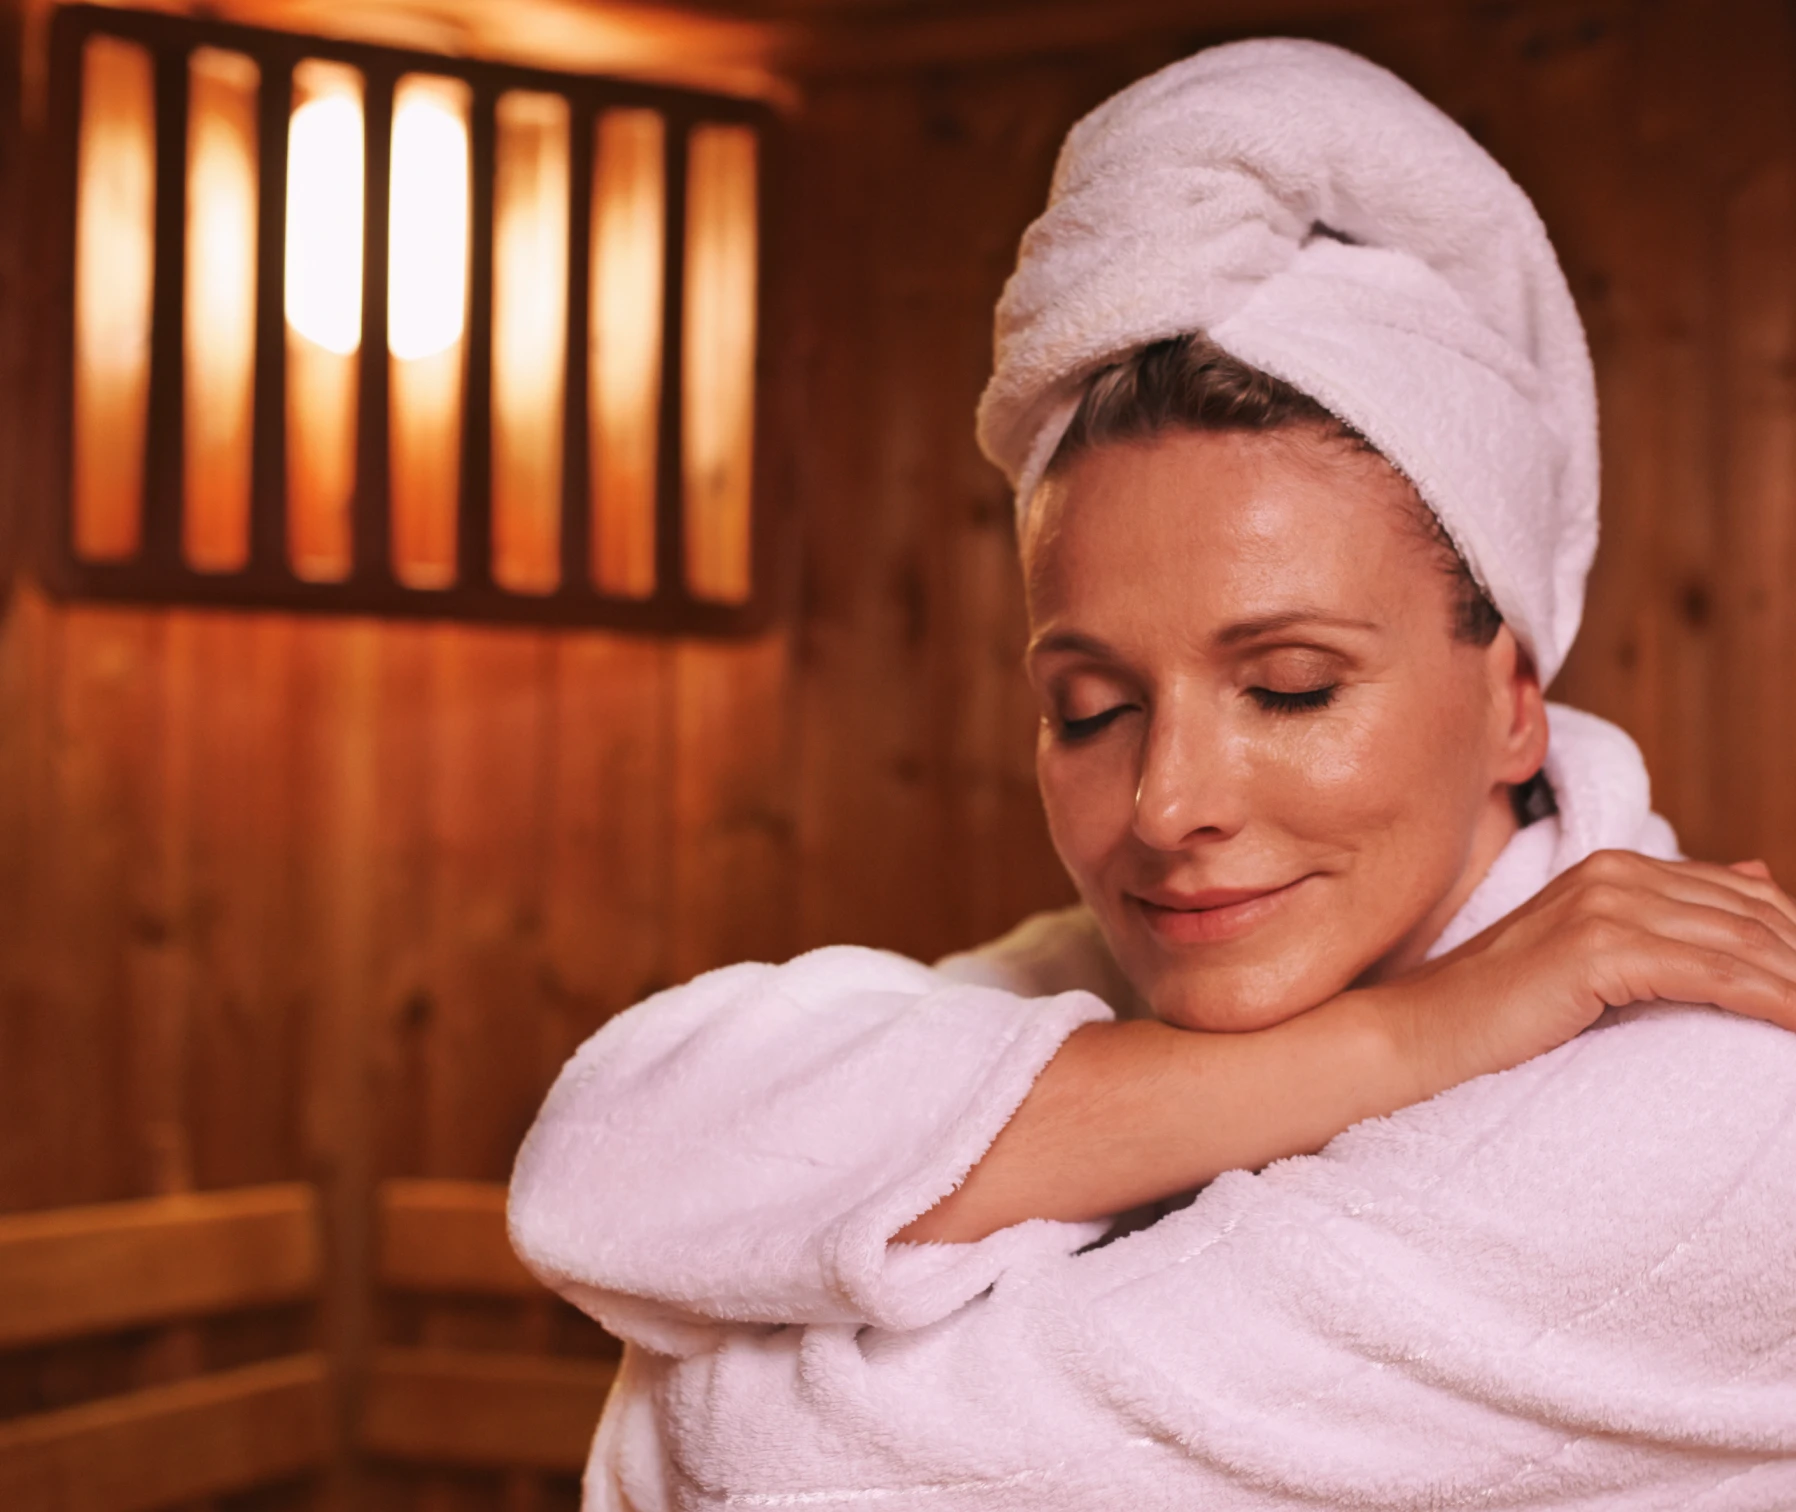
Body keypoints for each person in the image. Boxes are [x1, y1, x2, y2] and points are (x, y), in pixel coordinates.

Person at [510, 38, 1796, 1510]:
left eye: (1289, 687)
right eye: (1090, 707)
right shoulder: (1189, 981)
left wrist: (706, 1336)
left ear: (1513, 698)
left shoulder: (1729, 1109)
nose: (1168, 802)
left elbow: (811, 1468)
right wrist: (1410, 1041)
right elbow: (607, 1163)